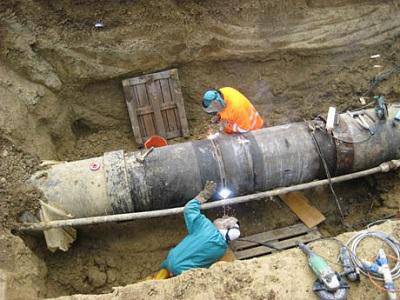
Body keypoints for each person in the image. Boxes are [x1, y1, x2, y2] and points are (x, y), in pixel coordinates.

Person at [150, 181, 241, 279]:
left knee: (163, 274)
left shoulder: (205, 227)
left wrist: (204, 195)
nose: (223, 216)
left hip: (171, 260)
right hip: (184, 274)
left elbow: (189, 209)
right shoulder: (221, 250)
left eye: (224, 219)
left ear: (223, 227)